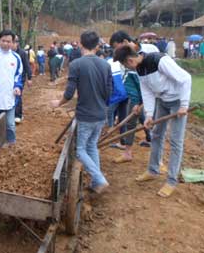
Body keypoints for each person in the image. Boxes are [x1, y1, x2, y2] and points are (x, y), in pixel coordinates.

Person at [114, 46, 191, 198]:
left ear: (130, 60)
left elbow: (186, 78)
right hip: (162, 100)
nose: (126, 67)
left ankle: (171, 181)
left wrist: (184, 105)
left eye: (125, 65)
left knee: (176, 141)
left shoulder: (159, 60)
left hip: (177, 101)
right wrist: (149, 114)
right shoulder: (139, 69)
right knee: (156, 134)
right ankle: (152, 170)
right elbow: (147, 91)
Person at [51, 31, 112, 194]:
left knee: (80, 150)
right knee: (92, 145)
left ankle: (99, 179)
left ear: (81, 44)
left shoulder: (76, 64)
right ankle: (95, 182)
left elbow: (69, 93)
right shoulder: (105, 65)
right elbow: (109, 92)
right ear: (97, 45)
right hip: (101, 114)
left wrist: (59, 103)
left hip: (86, 115)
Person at [12, 36, 31, 124]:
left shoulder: (22, 53)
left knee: (17, 95)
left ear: (17, 43)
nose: (12, 44)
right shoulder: (9, 52)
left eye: (14, 42)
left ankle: (18, 115)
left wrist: (29, 78)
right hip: (10, 78)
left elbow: (27, 65)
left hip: (20, 78)